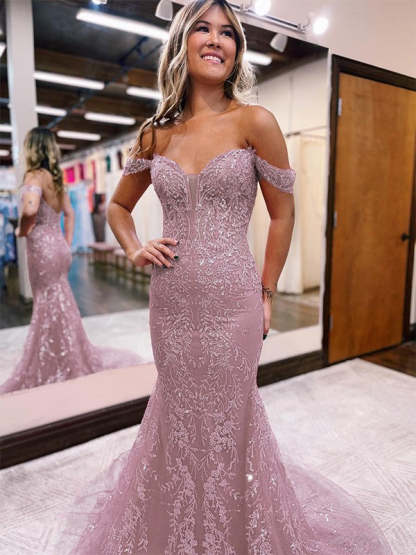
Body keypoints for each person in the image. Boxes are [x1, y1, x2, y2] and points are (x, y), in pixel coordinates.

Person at [56, 1, 392, 553]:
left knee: (230, 417)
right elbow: (117, 207)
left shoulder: (254, 122)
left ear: (237, 49)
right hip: (170, 305)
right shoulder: (155, 135)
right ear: (181, 44)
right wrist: (135, 247)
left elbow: (282, 213)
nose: (216, 40)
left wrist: (266, 291)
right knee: (177, 411)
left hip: (233, 302)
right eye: (203, 29)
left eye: (228, 33)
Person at [0, 127, 144, 394]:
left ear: (32, 149)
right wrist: (66, 242)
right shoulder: (56, 180)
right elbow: (70, 213)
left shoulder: (34, 176)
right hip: (58, 246)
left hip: (41, 248)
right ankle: (65, 351)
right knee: (59, 298)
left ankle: (53, 356)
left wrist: (21, 229)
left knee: (45, 301)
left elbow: (30, 209)